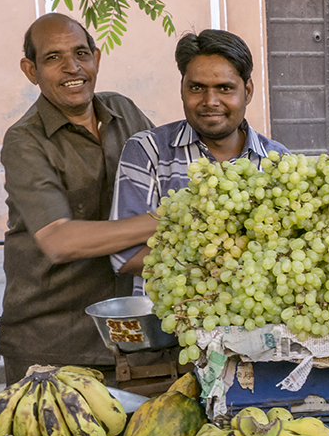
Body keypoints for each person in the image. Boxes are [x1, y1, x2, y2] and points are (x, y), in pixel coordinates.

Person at [0, 13, 159, 383]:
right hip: (53, 345)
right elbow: (58, 240)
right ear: (30, 70)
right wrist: (164, 220)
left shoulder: (125, 112)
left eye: (81, 53)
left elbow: (167, 177)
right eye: (53, 57)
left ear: (97, 59)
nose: (72, 67)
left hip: (132, 335)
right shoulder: (25, 141)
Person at [110, 29, 289, 281]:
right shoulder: (147, 151)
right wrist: (232, 265)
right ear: (182, 90)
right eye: (197, 88)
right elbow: (126, 256)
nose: (210, 101)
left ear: (247, 91)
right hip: (173, 316)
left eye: (225, 88)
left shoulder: (278, 160)